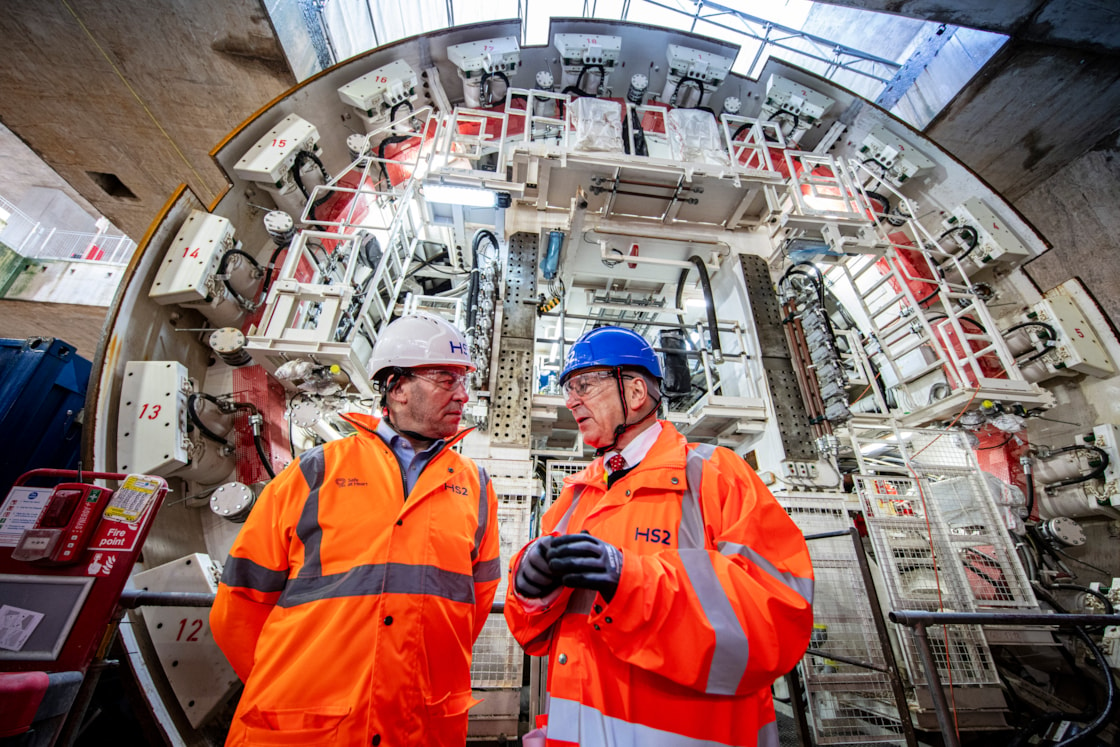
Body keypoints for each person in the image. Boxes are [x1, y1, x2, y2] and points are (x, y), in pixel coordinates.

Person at [505, 325, 814, 746]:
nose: (571, 400)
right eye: (568, 388)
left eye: (583, 384)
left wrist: (629, 581)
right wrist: (529, 593)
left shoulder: (716, 476)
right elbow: (536, 635)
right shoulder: (575, 497)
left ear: (634, 393)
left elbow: (776, 618)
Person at [211, 312, 501, 746]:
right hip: (306, 731)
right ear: (397, 387)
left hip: (415, 726)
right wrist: (294, 690)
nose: (462, 394)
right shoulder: (316, 472)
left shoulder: (475, 488)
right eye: (445, 378)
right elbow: (240, 606)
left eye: (463, 381)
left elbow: (471, 608)